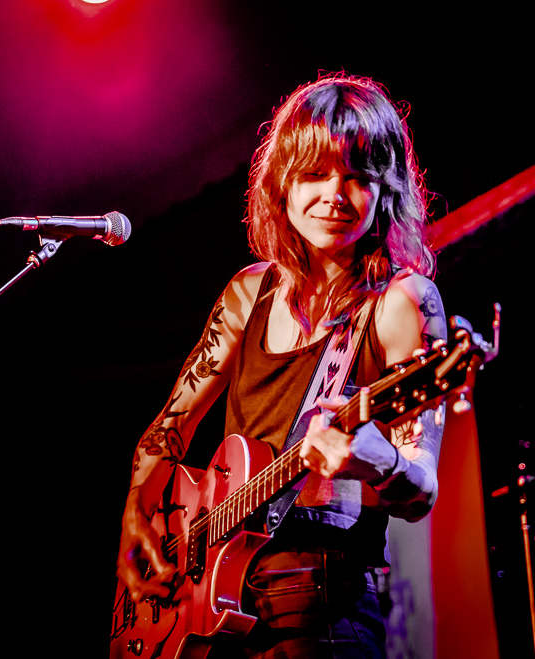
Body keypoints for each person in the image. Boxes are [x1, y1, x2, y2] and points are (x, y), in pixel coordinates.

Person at [115, 73, 447, 658]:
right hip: (207, 608)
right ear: (282, 183)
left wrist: (379, 457)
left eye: (357, 178)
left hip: (324, 601)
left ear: (385, 190)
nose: (335, 196)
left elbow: (422, 490)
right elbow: (167, 431)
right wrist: (135, 521)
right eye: (315, 174)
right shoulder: (248, 293)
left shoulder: (403, 303)